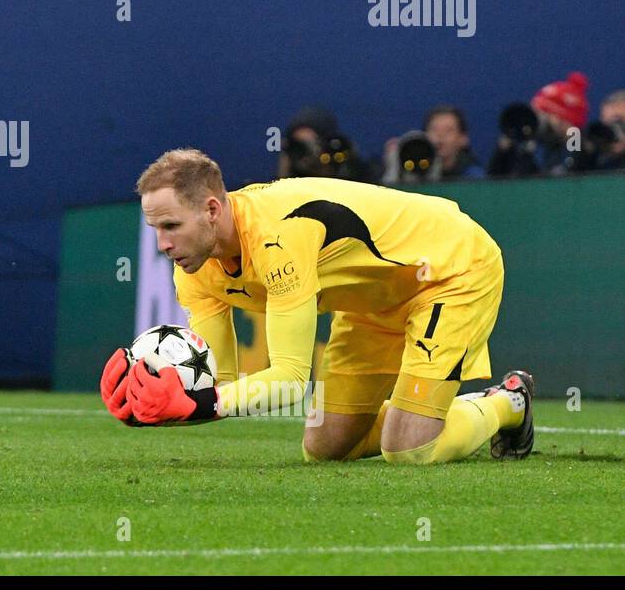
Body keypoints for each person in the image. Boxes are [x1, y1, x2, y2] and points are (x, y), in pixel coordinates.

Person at [100, 148, 534, 465]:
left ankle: (507, 404)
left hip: (449, 269)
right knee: (324, 449)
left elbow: (290, 381)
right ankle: (415, 411)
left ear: (212, 209)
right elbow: (221, 385)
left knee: (410, 450)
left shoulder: (279, 235)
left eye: (171, 226)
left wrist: (198, 403)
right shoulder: (193, 269)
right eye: (155, 229)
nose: (163, 245)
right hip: (370, 302)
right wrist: (155, 408)